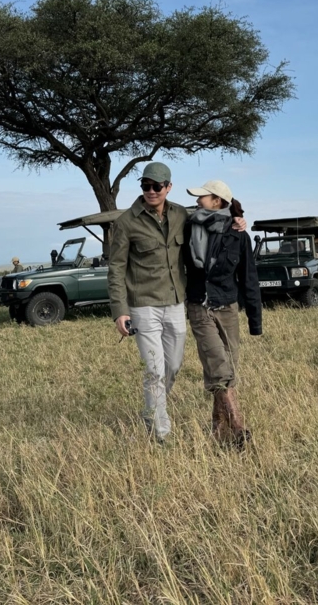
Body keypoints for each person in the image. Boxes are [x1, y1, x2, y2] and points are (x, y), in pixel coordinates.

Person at [108, 162, 189, 443]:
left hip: (176, 302)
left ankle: (151, 411)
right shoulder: (126, 222)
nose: (151, 191)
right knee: (154, 369)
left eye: (157, 186)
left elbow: (210, 221)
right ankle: (159, 432)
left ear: (169, 187)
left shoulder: (181, 214)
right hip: (143, 305)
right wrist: (120, 311)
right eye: (146, 186)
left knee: (173, 366)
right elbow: (116, 268)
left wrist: (236, 220)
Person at [183, 180, 262, 449]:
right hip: (199, 305)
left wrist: (255, 321)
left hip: (227, 306)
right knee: (218, 364)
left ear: (217, 200)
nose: (197, 201)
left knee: (228, 368)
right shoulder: (188, 226)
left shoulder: (238, 234)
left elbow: (249, 277)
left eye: (202, 197)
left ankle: (218, 427)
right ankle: (238, 426)